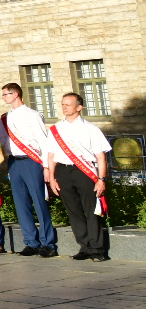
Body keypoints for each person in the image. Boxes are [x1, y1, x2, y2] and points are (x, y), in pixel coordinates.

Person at [47, 91, 112, 261]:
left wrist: (101, 179)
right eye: (63, 104)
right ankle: (84, 247)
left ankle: (97, 249)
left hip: (84, 172)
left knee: (91, 210)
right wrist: (52, 178)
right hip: (63, 171)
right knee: (74, 211)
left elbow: (100, 157)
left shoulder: (91, 129)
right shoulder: (56, 129)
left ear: (79, 107)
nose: (64, 107)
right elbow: (51, 155)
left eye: (68, 104)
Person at [0, 83, 57, 258]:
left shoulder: (32, 115)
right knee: (21, 203)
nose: (3, 97)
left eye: (5, 94)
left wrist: (46, 166)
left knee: (39, 201)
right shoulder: (4, 118)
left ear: (15, 94)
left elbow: (43, 141)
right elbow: (1, 140)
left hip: (32, 161)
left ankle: (48, 243)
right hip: (14, 161)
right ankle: (31, 241)